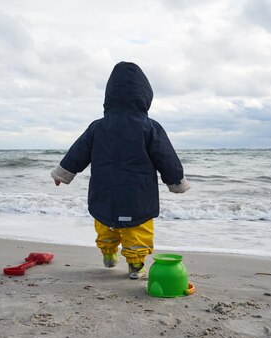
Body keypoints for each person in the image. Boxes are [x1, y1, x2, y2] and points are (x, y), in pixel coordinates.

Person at [51, 61, 189, 279]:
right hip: (138, 195)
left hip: (104, 192)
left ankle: (108, 254)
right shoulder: (149, 127)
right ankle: (135, 266)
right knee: (138, 230)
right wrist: (176, 182)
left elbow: (78, 152)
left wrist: (63, 174)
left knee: (105, 225)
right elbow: (166, 156)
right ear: (145, 95)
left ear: (109, 96)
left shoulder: (98, 126)